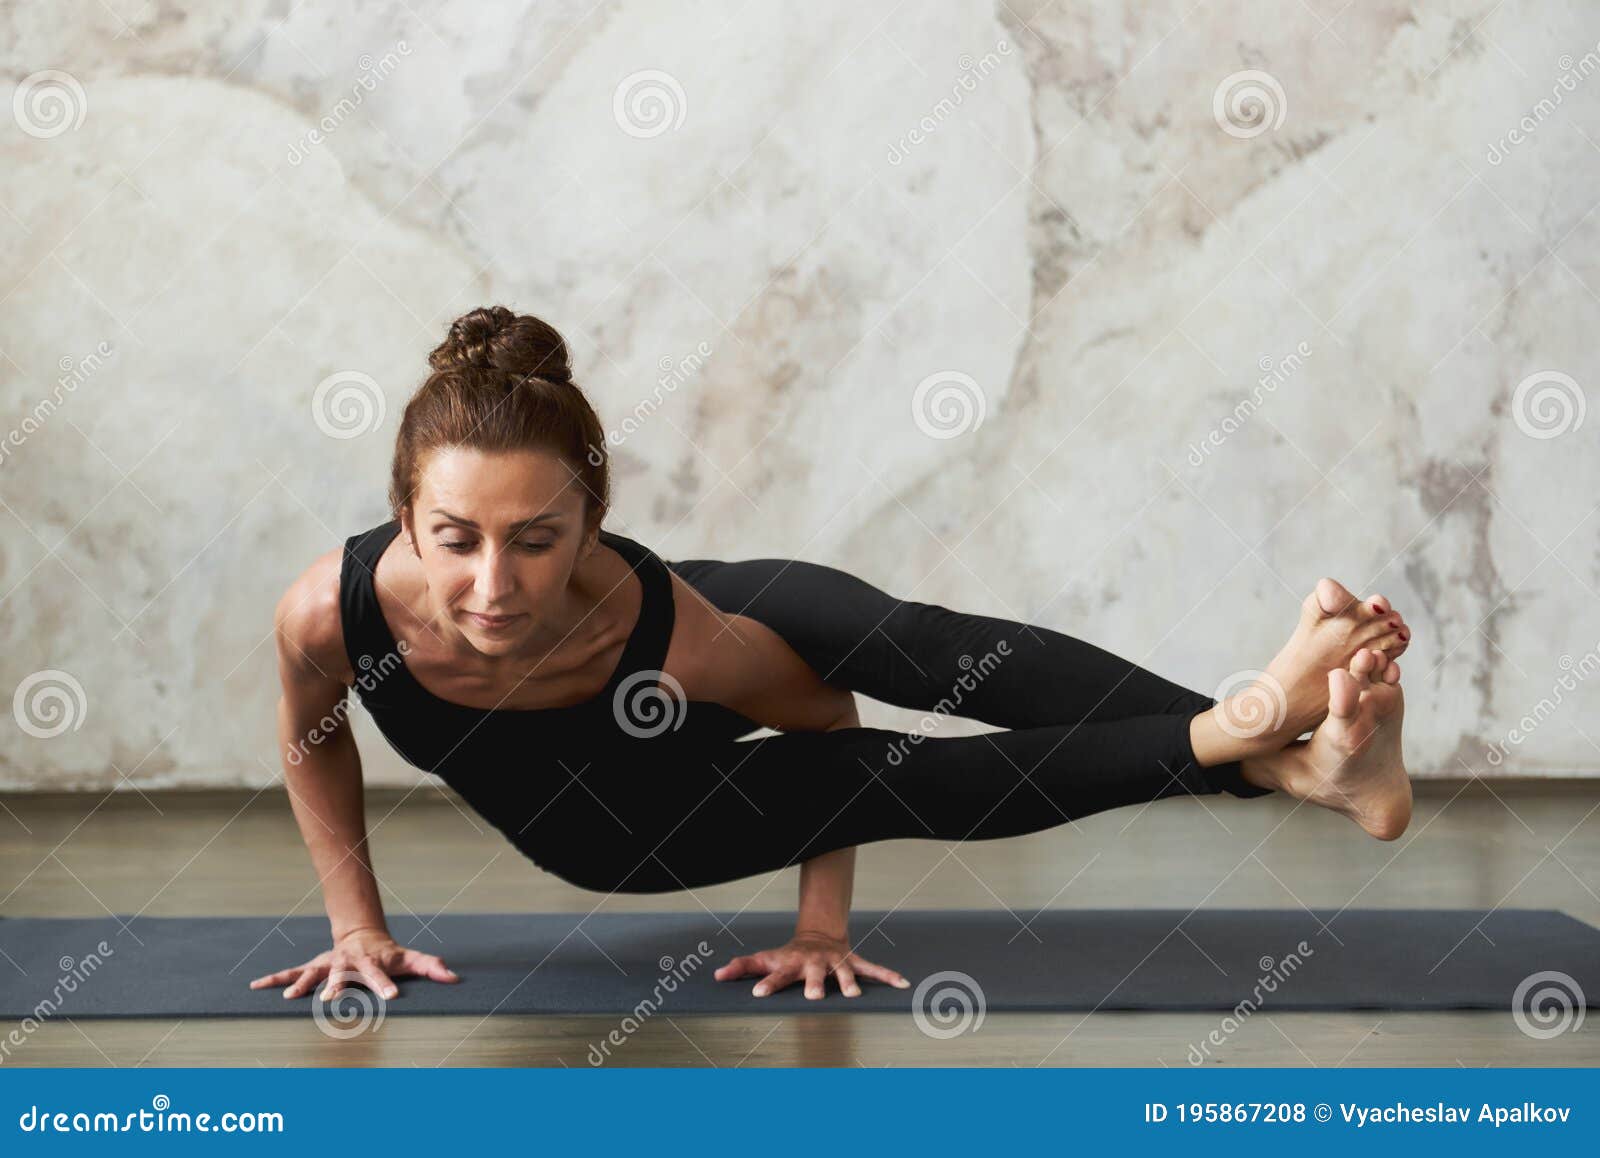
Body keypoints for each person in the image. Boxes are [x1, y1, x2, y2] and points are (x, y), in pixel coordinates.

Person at [250, 307, 1413, 1005]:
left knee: (899, 639)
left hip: (658, 663)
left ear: (589, 522)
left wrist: (822, 927)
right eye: (453, 541)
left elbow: (825, 716)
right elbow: (314, 741)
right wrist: (357, 928)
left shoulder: (669, 628)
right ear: (404, 517)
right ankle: (1260, 743)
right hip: (607, 824)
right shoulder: (327, 616)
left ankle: (1285, 749)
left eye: (536, 540)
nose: (491, 586)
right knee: (897, 777)